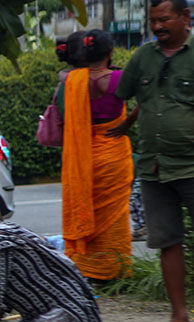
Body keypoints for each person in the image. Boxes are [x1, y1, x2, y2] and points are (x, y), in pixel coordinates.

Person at [115, 0, 194, 322]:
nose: (157, 26)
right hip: (154, 167)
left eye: (164, 19)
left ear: (185, 18)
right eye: (153, 20)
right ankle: (179, 319)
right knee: (168, 242)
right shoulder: (143, 57)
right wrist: (125, 124)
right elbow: (143, 96)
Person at [55, 29, 137, 281]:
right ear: (110, 53)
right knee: (114, 216)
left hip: (81, 159)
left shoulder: (68, 82)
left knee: (84, 207)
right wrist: (126, 125)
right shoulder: (116, 80)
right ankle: (113, 271)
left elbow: (62, 115)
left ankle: (85, 269)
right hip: (112, 156)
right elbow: (146, 98)